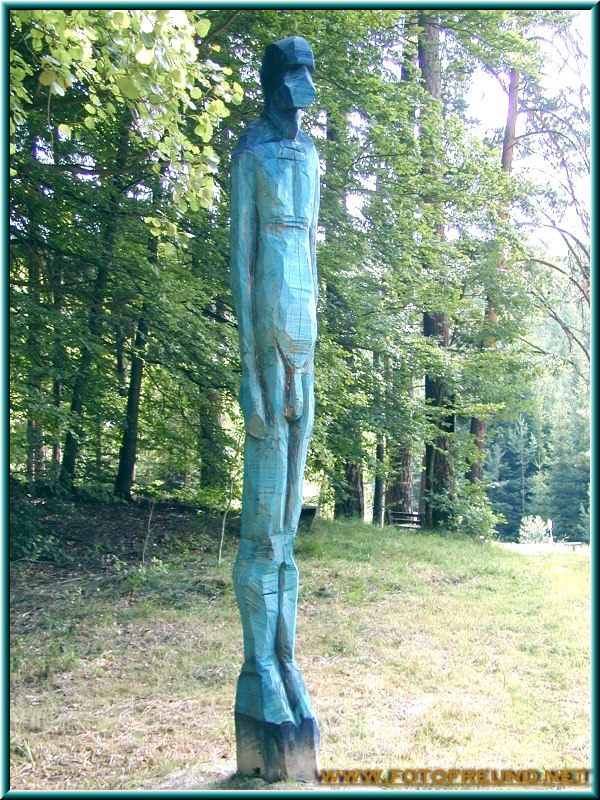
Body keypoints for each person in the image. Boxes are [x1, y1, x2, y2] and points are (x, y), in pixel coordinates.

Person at [229, 36, 320, 776]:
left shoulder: (311, 156)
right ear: (272, 82)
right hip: (264, 352)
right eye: (293, 75)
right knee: (262, 526)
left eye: (308, 74)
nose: (303, 87)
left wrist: (310, 363)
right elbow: (242, 261)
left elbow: (309, 257)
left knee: (288, 529)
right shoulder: (251, 153)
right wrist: (250, 372)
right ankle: (259, 668)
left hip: (305, 349)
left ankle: (288, 659)